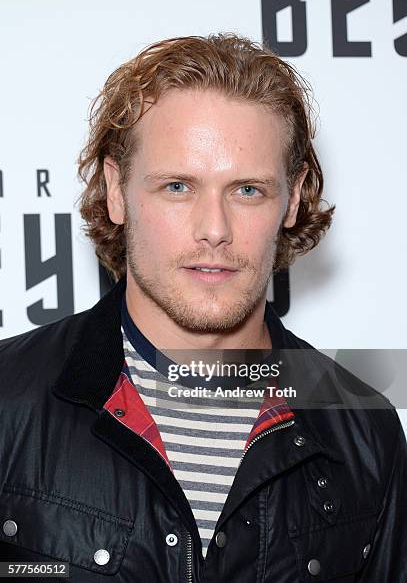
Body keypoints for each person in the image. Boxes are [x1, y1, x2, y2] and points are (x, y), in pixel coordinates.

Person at [0, 34, 406, 583]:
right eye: (177, 186)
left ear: (293, 197)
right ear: (117, 191)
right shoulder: (8, 400)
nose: (214, 230)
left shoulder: (362, 430)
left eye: (247, 191)